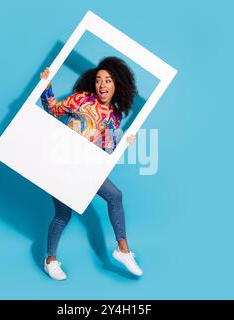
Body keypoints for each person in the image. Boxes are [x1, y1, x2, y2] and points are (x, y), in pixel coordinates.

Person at [39, 57, 142, 280]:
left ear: (117, 85)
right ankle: (50, 260)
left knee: (115, 195)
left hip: (87, 169)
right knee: (63, 215)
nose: (102, 85)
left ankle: (123, 250)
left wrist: (124, 141)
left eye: (108, 80)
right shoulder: (82, 100)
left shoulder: (115, 116)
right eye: (98, 81)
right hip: (63, 164)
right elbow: (53, 109)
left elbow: (107, 149)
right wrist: (46, 85)